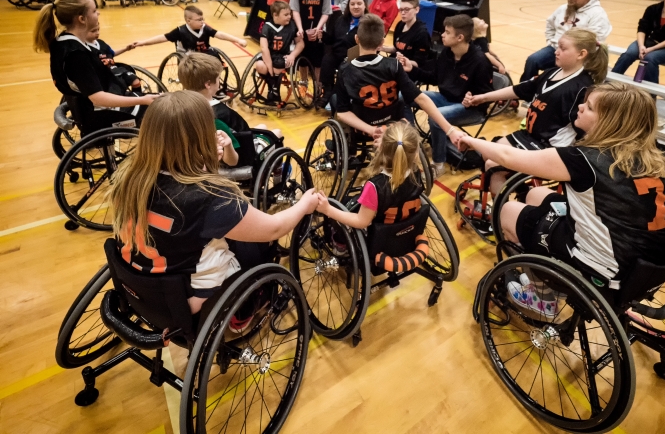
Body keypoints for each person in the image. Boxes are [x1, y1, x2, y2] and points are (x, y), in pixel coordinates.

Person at [456, 81, 665, 310]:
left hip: (605, 267)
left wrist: (469, 140)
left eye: (589, 107)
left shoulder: (583, 159)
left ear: (610, 122)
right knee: (536, 194)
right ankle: (540, 264)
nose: (580, 106)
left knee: (507, 211)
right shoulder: (659, 160)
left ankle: (542, 294)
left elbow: (507, 158)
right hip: (648, 264)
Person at [109, 90, 319, 315]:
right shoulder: (209, 197)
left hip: (142, 285)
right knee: (260, 244)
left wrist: (206, 167)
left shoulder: (128, 177)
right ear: (201, 137)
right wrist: (304, 204)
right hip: (189, 301)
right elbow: (274, 228)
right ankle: (253, 305)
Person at [463, 28, 609, 196]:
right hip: (530, 137)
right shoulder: (551, 72)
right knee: (488, 152)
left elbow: (586, 129)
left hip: (549, 147)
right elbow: (520, 90)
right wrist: (482, 98)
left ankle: (499, 219)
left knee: (493, 167)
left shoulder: (582, 88)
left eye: (563, 48)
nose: (556, 51)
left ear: (581, 54)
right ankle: (521, 192)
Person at [333, 14, 463, 153]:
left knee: (336, 101)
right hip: (392, 123)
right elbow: (421, 99)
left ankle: (342, 150)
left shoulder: (345, 70)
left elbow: (343, 112)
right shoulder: (393, 65)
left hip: (364, 129)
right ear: (382, 43)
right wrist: (450, 130)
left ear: (357, 39)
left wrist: (372, 130)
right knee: (403, 100)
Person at [33, 0, 159, 133]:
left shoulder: (63, 42)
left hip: (86, 105)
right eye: (94, 11)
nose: (98, 14)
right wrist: (142, 100)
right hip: (98, 113)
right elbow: (98, 98)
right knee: (160, 112)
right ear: (82, 19)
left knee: (157, 101)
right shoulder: (76, 55)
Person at [315, 123, 431, 273]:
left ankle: (340, 247)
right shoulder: (416, 173)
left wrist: (328, 209)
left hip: (378, 241)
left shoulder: (375, 187)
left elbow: (361, 221)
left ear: (381, 149)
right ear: (416, 154)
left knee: (341, 205)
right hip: (405, 234)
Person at [399, 14, 493, 177]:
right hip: (446, 99)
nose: (442, 34)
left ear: (460, 37)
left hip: (470, 109)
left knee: (436, 118)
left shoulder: (480, 61)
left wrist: (473, 100)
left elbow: (486, 98)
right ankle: (413, 141)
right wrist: (412, 69)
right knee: (403, 96)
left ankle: (438, 163)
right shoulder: (447, 54)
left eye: (447, 32)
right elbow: (434, 77)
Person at [178, 52, 275, 166]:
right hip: (240, 155)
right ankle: (279, 171)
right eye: (219, 78)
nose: (220, 81)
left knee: (263, 127)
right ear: (208, 84)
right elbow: (233, 156)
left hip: (205, 152)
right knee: (275, 134)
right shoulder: (219, 115)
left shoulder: (183, 106)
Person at [521, 0, 611, 81]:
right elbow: (550, 25)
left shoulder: (597, 14)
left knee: (560, 73)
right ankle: (524, 91)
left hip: (577, 55)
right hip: (555, 49)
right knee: (533, 60)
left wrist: (572, 51)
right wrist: (551, 41)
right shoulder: (562, 9)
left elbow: (594, 40)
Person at [319, 0, 368, 108]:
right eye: (352, 4)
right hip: (337, 54)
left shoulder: (368, 22)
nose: (355, 6)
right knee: (327, 59)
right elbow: (331, 39)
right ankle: (327, 91)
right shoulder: (341, 20)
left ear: (364, 5)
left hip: (355, 57)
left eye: (359, 4)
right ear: (348, 6)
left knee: (344, 67)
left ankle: (336, 96)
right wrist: (323, 36)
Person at [132, 5, 247, 54]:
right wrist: (142, 43)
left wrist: (238, 40)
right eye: (198, 20)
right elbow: (162, 38)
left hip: (203, 55)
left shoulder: (204, 28)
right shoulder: (180, 31)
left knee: (216, 60)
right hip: (187, 59)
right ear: (188, 21)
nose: (202, 22)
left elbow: (220, 34)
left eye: (202, 19)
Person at [255, 0, 305, 104]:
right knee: (259, 65)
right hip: (269, 55)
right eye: (286, 14)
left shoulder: (292, 26)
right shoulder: (267, 27)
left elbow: (301, 44)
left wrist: (292, 55)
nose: (289, 17)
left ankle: (273, 90)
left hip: (284, 56)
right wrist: (269, 67)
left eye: (290, 14)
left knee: (278, 65)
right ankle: (272, 86)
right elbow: (264, 48)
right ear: (275, 15)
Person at [290, 0, 331, 83]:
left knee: (318, 58)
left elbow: (326, 12)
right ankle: (303, 81)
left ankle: (318, 84)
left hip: (317, 29)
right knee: (303, 56)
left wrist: (319, 28)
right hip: (302, 27)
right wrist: (300, 28)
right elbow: (295, 10)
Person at [380, 0, 431, 68]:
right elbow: (396, 49)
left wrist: (403, 60)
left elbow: (419, 64)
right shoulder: (400, 24)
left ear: (417, 10)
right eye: (401, 10)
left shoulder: (422, 33)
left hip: (408, 70)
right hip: (395, 63)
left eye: (407, 9)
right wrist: (382, 48)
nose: (403, 13)